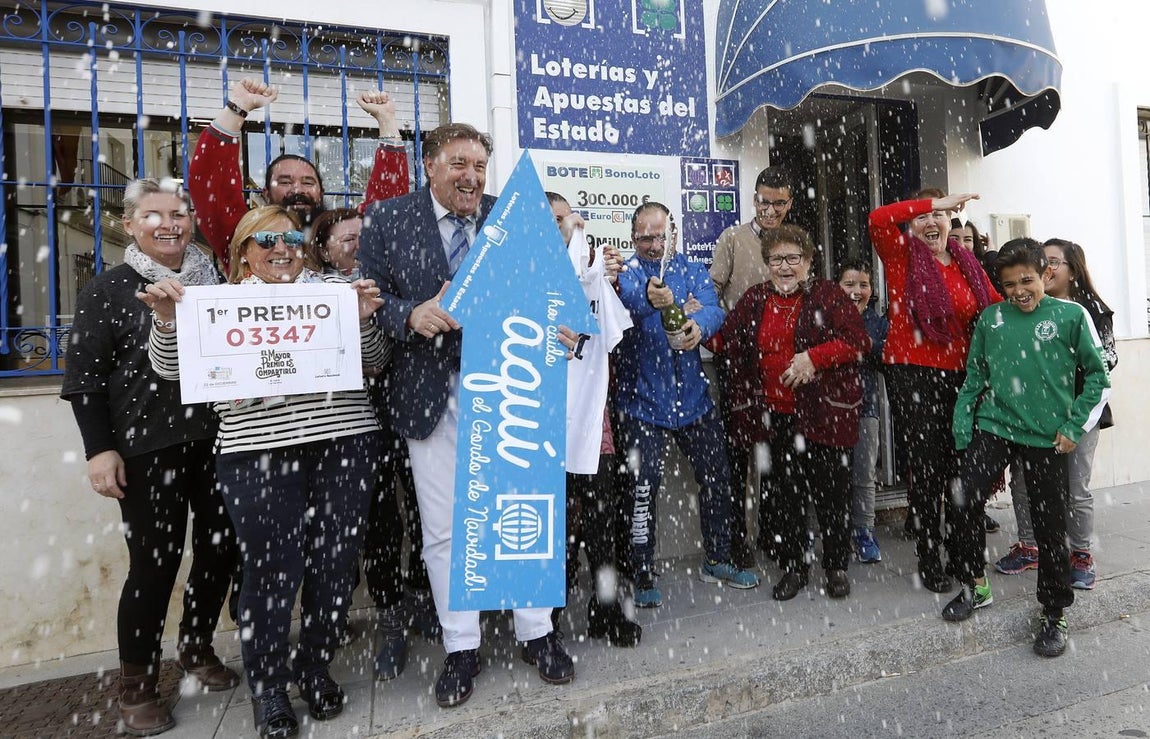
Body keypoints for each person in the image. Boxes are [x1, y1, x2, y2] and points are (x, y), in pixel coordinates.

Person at [141, 205, 390, 737]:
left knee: (335, 566)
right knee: (272, 572)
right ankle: (270, 688)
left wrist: (364, 321)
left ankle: (314, 666)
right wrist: (166, 320)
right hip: (257, 452)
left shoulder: (332, 291)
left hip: (344, 443)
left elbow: (372, 362)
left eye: (293, 240)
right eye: (267, 241)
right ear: (243, 252)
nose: (283, 250)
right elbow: (168, 367)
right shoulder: (216, 303)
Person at [358, 122, 577, 709]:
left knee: (522, 507)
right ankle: (461, 646)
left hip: (510, 387)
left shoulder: (512, 215)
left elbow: (553, 291)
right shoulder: (388, 219)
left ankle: (538, 632)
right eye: (458, 163)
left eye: (479, 165)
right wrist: (409, 315)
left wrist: (561, 325)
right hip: (430, 395)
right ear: (428, 164)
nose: (471, 176)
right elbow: (369, 301)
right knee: (445, 528)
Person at [60, 178, 238, 736]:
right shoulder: (108, 290)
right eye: (155, 214)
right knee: (154, 564)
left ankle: (195, 646)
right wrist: (99, 449)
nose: (170, 223)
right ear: (132, 225)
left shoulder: (217, 284)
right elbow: (84, 379)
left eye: (180, 214)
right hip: (144, 449)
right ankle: (135, 683)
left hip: (217, 440)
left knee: (219, 551)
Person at [945, 239, 1110, 658]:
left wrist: (1074, 426)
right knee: (962, 498)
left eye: (1027, 281)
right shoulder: (990, 318)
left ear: (1046, 275)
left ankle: (1053, 611)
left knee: (1049, 525)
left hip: (1048, 435)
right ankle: (975, 585)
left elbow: (1097, 377)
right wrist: (964, 428)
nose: (1019, 291)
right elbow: (975, 375)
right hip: (996, 426)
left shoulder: (1072, 316)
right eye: (1008, 284)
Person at [307, 207, 435, 680]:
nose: (358, 246)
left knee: (426, 513)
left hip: (410, 415)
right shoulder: (311, 296)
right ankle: (391, 620)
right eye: (346, 240)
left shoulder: (390, 282)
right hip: (351, 427)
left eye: (364, 237)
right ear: (322, 249)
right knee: (380, 528)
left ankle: (426, 601)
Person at [614, 201, 760, 608]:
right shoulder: (626, 273)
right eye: (645, 237)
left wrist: (700, 325)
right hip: (642, 402)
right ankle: (640, 572)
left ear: (674, 233)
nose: (654, 244)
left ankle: (718, 556)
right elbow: (630, 300)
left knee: (718, 479)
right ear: (632, 238)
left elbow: (713, 307)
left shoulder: (693, 269)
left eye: (661, 235)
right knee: (642, 490)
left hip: (694, 399)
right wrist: (651, 297)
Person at [719, 225, 870, 600]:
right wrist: (692, 329)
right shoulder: (755, 298)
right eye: (776, 259)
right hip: (776, 416)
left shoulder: (828, 295)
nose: (784, 267)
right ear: (766, 262)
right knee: (786, 498)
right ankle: (794, 567)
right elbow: (727, 337)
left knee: (832, 495)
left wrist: (814, 358)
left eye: (793, 259)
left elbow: (857, 341)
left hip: (823, 415)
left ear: (808, 261)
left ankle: (835, 566)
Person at [868, 189, 1001, 593]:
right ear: (913, 224)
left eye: (940, 218)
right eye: (924, 218)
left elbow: (995, 309)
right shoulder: (901, 256)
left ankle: (965, 555)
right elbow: (878, 218)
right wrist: (933, 203)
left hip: (963, 378)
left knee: (964, 468)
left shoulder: (967, 264)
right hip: (914, 374)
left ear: (951, 225)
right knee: (928, 470)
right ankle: (929, 557)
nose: (931, 224)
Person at [545, 192, 642, 646]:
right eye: (550, 220)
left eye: (564, 220)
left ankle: (605, 609)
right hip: (538, 426)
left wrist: (603, 279)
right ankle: (545, 619)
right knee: (553, 525)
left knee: (602, 520)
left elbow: (612, 333)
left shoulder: (592, 271)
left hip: (590, 422)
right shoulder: (521, 277)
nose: (560, 227)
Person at [994, 238, 1118, 590]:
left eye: (1053, 262)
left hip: (1079, 414)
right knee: (1023, 482)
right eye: (1043, 262)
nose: (1046, 270)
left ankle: (1080, 554)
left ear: (1071, 269)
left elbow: (1105, 365)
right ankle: (1030, 545)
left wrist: (1073, 409)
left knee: (1075, 487)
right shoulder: (1025, 309)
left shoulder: (1086, 310)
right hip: (1034, 418)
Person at [189, 77, 409, 270]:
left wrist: (387, 120)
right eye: (285, 181)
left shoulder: (344, 235)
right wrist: (237, 108)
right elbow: (211, 184)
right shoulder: (246, 238)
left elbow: (387, 208)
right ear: (266, 193)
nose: (297, 189)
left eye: (308, 182)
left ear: (321, 193)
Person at [709, 165, 794, 568]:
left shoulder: (796, 245)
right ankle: (737, 541)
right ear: (754, 199)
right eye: (764, 201)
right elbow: (711, 293)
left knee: (779, 457)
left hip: (785, 369)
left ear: (789, 203)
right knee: (738, 458)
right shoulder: (733, 239)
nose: (771, 210)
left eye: (779, 203)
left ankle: (776, 535)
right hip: (739, 368)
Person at [836, 258, 889, 564]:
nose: (856, 291)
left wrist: (867, 343)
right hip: (829, 411)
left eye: (863, 285)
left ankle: (864, 530)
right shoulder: (826, 319)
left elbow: (886, 357)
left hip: (865, 408)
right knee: (834, 476)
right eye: (849, 284)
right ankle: (837, 529)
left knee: (863, 474)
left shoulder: (878, 322)